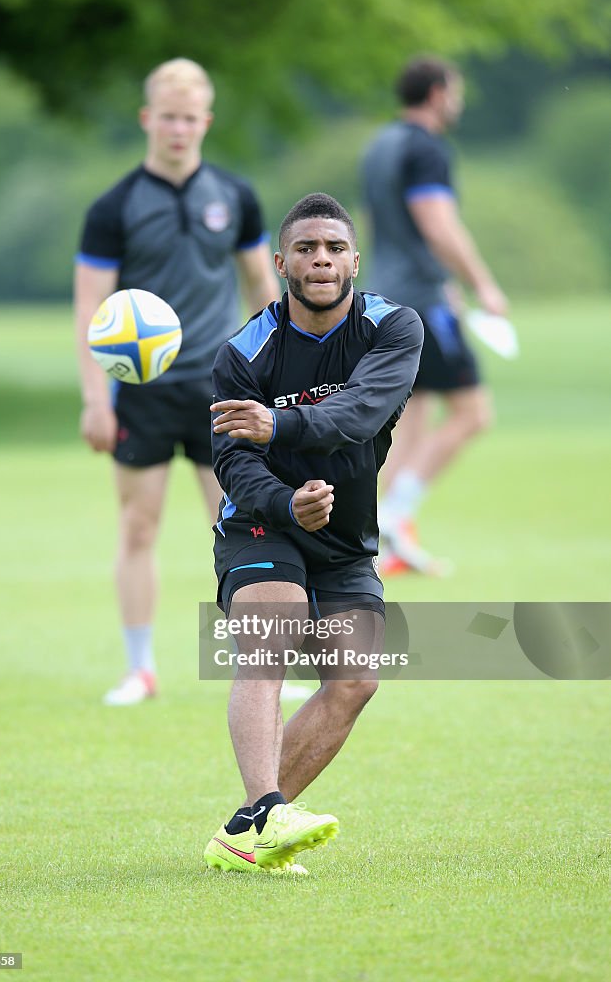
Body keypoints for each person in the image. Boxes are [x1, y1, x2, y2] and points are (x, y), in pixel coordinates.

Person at [203, 193, 423, 873]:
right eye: (305, 248)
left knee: (356, 680)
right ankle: (268, 811)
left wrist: (283, 426)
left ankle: (245, 830)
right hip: (262, 524)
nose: (320, 259)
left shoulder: (394, 328)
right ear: (280, 264)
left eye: (332, 247)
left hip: (346, 536)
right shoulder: (244, 353)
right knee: (273, 632)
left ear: (354, 259)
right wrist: (285, 501)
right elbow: (232, 461)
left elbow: (359, 413)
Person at [74, 58, 279, 705]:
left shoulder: (235, 196)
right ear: (147, 119)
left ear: (205, 122)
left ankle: (266, 664)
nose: (179, 129)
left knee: (242, 523)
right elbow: (88, 309)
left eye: (190, 119)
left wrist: (277, 372)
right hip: (142, 393)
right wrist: (93, 399)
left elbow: (261, 289)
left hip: (220, 392)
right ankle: (140, 669)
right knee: (138, 525)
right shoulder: (114, 207)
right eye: (168, 117)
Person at [362, 55, 509, 575]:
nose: (459, 102)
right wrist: (482, 284)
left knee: (413, 418)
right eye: (456, 91)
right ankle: (394, 517)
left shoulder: (381, 144)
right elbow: (437, 225)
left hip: (386, 297)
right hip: (421, 303)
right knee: (473, 412)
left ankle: (373, 540)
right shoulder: (427, 149)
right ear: (439, 92)